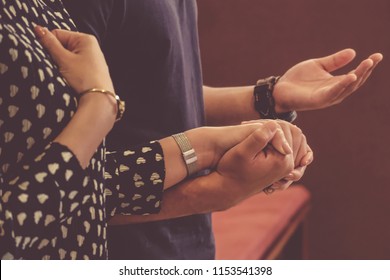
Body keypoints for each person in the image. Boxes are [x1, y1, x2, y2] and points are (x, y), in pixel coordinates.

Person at [62, 0, 383, 260]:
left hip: (189, 247)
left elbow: (157, 93)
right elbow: (54, 188)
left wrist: (269, 96)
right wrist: (213, 190)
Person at [0, 0, 311, 259]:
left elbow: (158, 93)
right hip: (130, 249)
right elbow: (29, 212)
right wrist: (205, 179)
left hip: (184, 242)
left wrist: (265, 98)